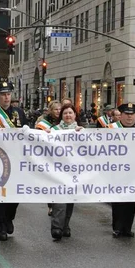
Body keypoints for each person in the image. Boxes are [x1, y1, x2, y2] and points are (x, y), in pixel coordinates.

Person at [0, 82, 29, 241]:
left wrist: (28, 129)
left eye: (8, 94)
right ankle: (1, 228)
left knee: (14, 196)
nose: (6, 97)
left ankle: (9, 218)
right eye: (3, 94)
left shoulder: (19, 112)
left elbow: (28, 133)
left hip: (16, 161)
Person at [47, 103, 82, 241]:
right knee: (60, 198)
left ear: (75, 115)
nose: (68, 115)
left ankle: (65, 225)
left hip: (74, 171)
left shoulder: (81, 130)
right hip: (58, 169)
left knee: (70, 199)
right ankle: (56, 227)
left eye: (70, 113)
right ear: (61, 115)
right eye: (65, 113)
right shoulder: (54, 130)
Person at [110, 103, 135, 238]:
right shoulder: (111, 129)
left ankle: (127, 228)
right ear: (120, 115)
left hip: (134, 171)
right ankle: (117, 227)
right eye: (127, 114)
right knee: (118, 200)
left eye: (132, 114)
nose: (129, 117)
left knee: (131, 200)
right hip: (117, 170)